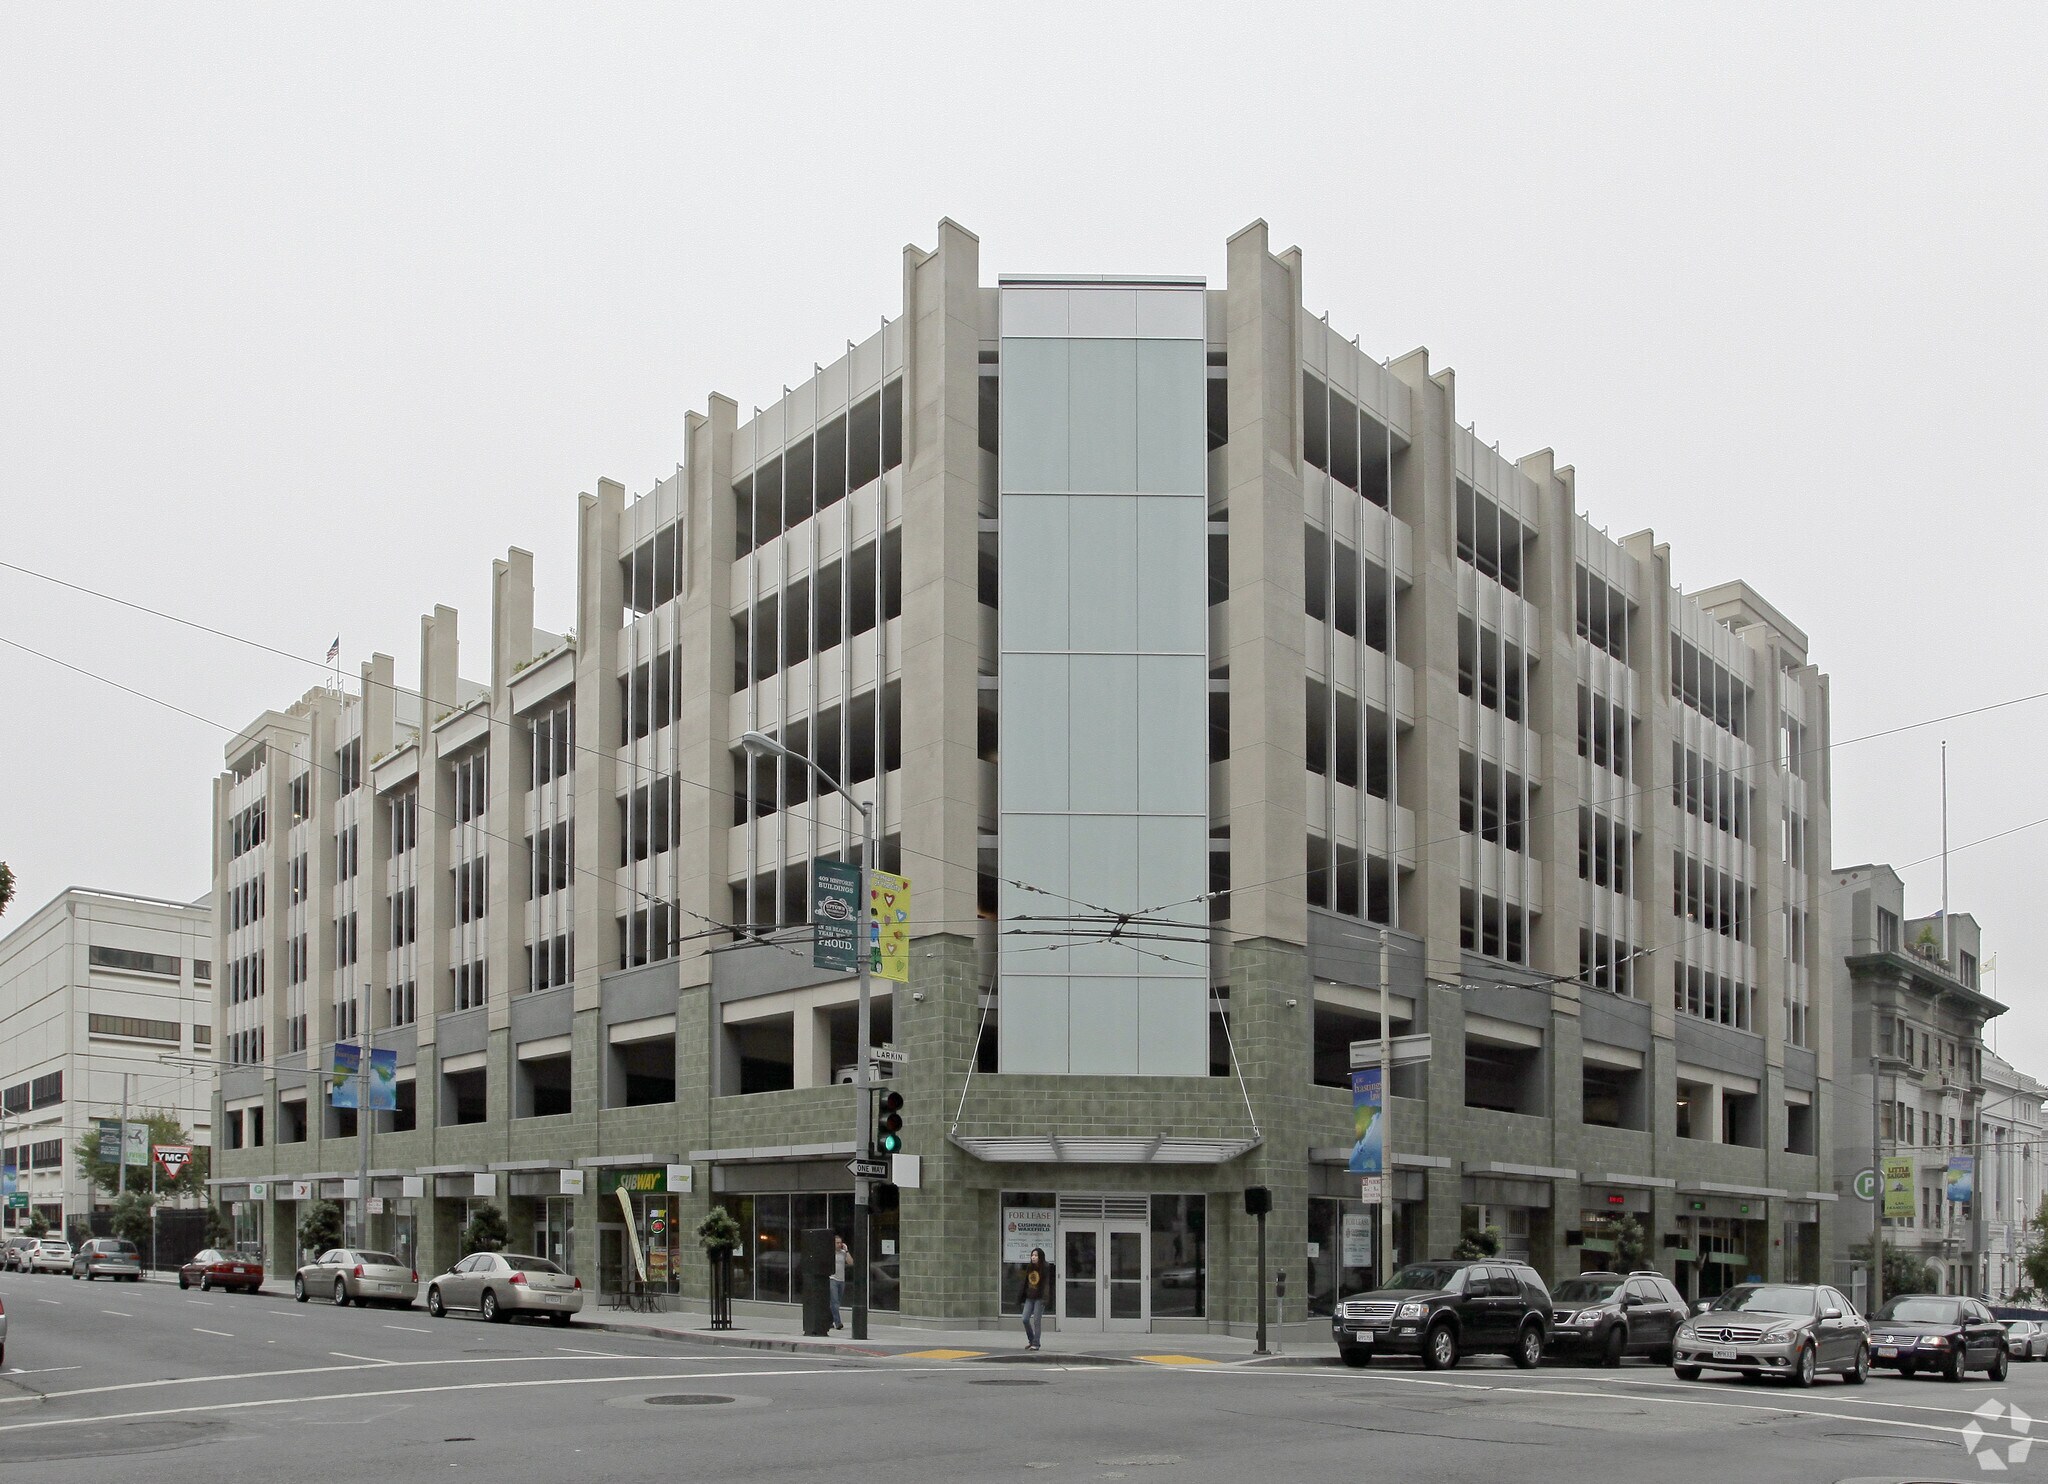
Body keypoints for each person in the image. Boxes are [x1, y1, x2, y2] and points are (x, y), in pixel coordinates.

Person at [1017, 1247, 1054, 1350]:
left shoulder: (1045, 1267)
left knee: (1037, 1320)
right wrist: (1022, 1296)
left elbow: (1047, 1284)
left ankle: (1036, 1343)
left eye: (1036, 1255)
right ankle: (1031, 1340)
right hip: (1030, 1296)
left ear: (1040, 1257)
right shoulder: (1030, 1267)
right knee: (1025, 1319)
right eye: (1032, 1255)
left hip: (1040, 1297)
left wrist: (1045, 1298)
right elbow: (1025, 1282)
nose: (1033, 1257)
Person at [830, 1234, 849, 1331]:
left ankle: (829, 1321)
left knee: (836, 1303)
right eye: (837, 1243)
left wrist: (846, 1250)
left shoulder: (843, 1253)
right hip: (832, 1278)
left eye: (840, 1243)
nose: (839, 1244)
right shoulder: (829, 1253)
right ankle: (838, 1323)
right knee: (835, 1301)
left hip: (842, 1280)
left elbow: (851, 1262)